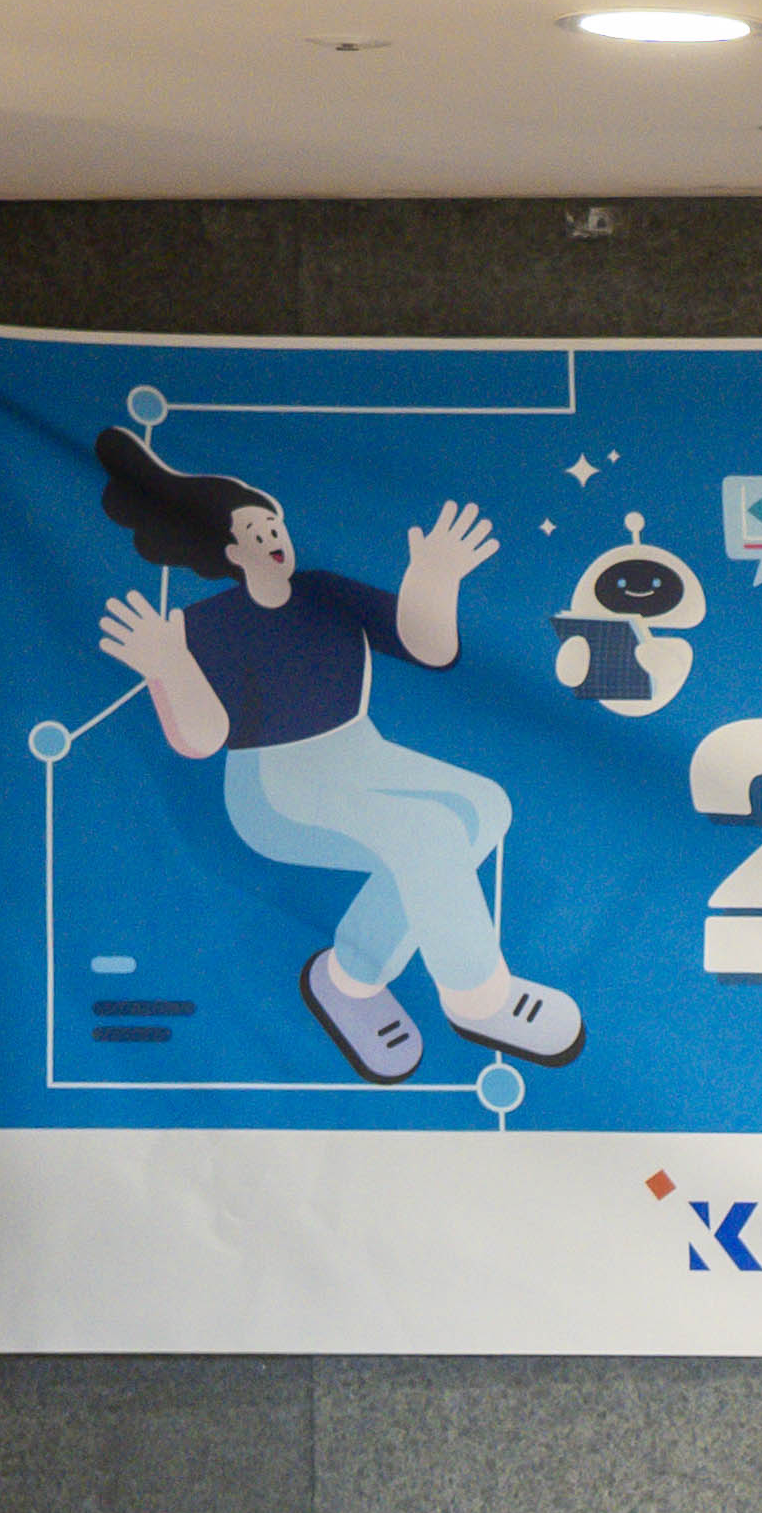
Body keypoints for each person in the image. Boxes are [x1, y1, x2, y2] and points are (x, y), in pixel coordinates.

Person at [84, 423, 568, 1084]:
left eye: (276, 527)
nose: (273, 539)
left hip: (362, 752)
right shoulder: (206, 624)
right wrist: (168, 665)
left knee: (483, 807)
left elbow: (426, 645)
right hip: (274, 784)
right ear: (230, 549)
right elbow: (201, 740)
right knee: (425, 833)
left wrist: (434, 578)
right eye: (256, 532)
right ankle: (479, 998)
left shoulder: (324, 591)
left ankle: (348, 979)